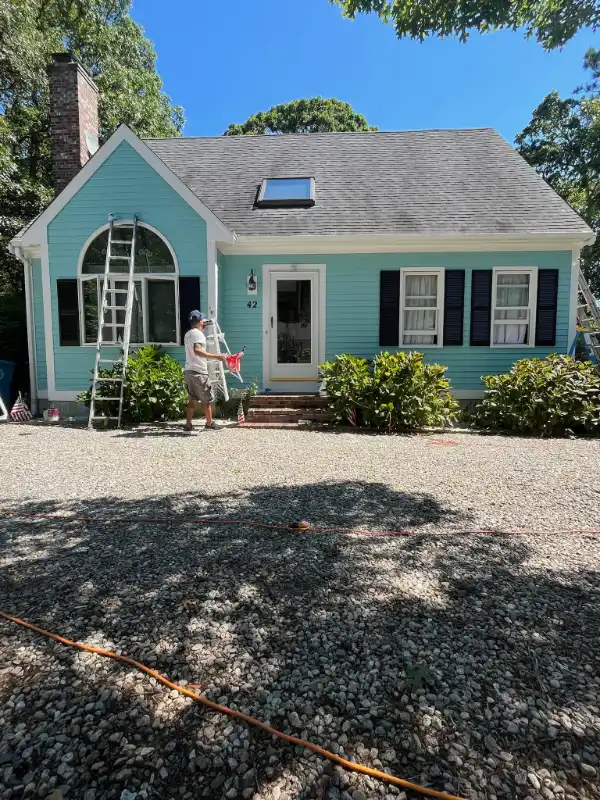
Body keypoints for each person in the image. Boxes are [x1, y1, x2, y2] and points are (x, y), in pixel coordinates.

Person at [183, 311, 227, 432]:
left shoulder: (188, 334)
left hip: (189, 371)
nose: (204, 323)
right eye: (203, 320)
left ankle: (188, 425)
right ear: (199, 322)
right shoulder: (198, 334)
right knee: (207, 400)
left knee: (192, 400)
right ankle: (209, 423)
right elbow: (197, 350)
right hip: (199, 372)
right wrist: (217, 356)